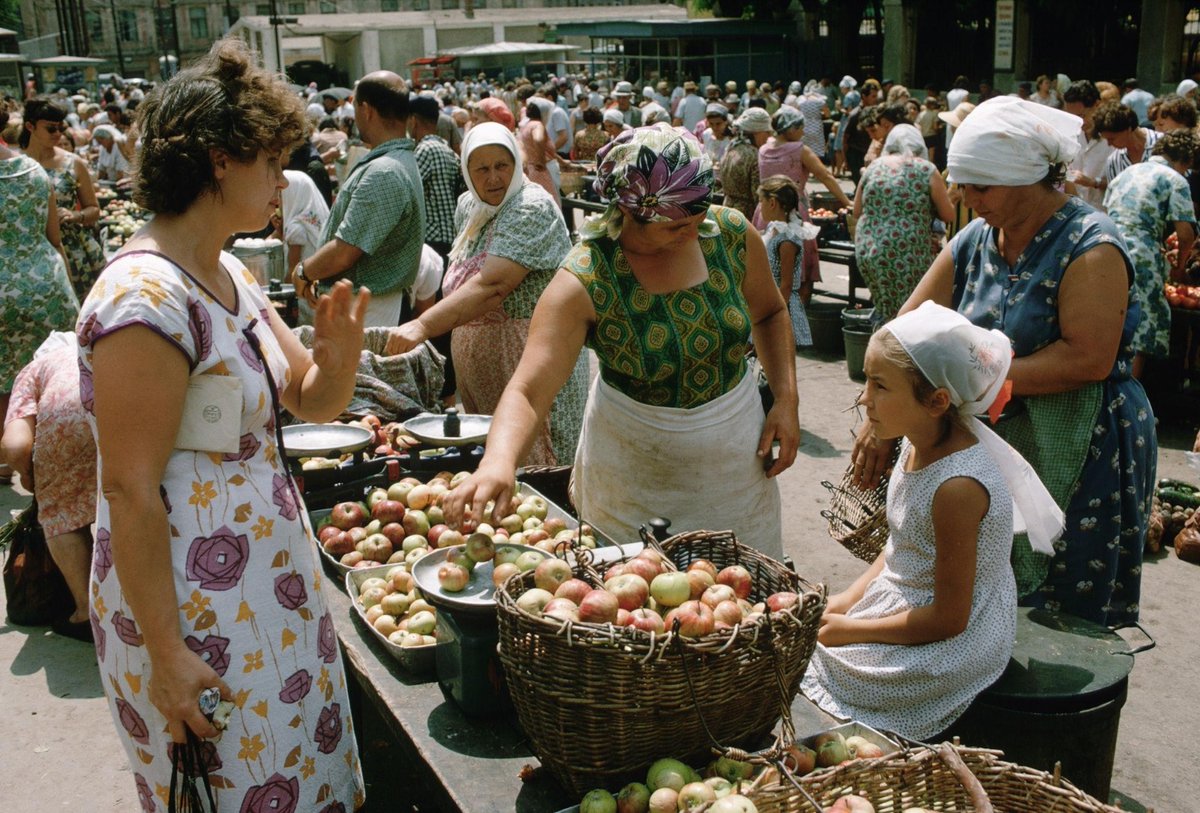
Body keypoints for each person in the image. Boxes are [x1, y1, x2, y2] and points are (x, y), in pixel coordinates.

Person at [75, 39, 367, 811]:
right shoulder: (144, 298)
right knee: (234, 788)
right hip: (191, 613)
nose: (281, 181)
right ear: (216, 161)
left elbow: (310, 398)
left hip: (263, 591)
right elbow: (130, 491)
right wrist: (167, 657)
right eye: (270, 161)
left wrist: (337, 357)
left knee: (299, 780)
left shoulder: (229, 269)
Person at [441, 124, 800, 559]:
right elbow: (529, 390)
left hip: (733, 464)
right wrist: (499, 460)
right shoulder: (585, 278)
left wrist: (785, 398)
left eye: (697, 217)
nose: (692, 234)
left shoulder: (729, 235)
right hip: (632, 469)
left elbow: (770, 312)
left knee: (743, 586)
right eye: (673, 227)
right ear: (629, 211)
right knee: (633, 594)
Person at [865, 96, 1155, 626]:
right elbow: (904, 329)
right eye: (963, 185)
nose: (968, 200)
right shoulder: (975, 239)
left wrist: (966, 382)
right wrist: (881, 417)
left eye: (982, 187)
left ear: (1028, 179)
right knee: (979, 593)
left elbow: (1088, 359)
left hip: (1083, 441)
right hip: (994, 437)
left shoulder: (1091, 246)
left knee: (1063, 609)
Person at [804, 302, 1061, 741]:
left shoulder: (958, 487)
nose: (864, 398)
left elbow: (949, 618)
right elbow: (898, 550)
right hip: (909, 600)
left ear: (937, 401)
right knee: (804, 640)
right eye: (867, 379)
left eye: (880, 385)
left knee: (817, 666)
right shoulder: (913, 441)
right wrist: (844, 602)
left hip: (957, 637)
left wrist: (851, 629)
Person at [384, 122, 587, 466]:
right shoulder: (469, 206)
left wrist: (422, 326)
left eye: (502, 166)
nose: (493, 178)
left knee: (536, 464)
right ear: (466, 171)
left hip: (527, 365)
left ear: (517, 165)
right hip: (481, 373)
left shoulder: (531, 205)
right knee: (493, 462)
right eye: (481, 169)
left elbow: (493, 286)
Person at [292, 72, 424, 328]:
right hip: (368, 304)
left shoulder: (384, 172)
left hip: (366, 309)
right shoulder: (396, 161)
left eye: (355, 108)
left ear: (366, 109)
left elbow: (345, 251)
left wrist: (304, 272)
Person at [2, 332, 96, 641]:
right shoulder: (97, 350)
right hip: (114, 410)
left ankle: (86, 612)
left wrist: (32, 479)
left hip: (67, 425)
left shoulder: (35, 369)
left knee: (63, 513)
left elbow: (15, 446)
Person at [0, 112, 76, 484]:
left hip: (2, 290)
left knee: (3, 382)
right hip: (46, 282)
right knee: (47, 376)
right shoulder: (33, 171)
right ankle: (53, 456)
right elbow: (54, 237)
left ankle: (7, 461)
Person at [1103, 130, 1198, 378]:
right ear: (1186, 161)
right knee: (1139, 330)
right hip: (1140, 254)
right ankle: (1128, 406)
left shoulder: (1126, 174)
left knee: (1109, 323)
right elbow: (1186, 234)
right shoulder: (1175, 180)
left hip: (1106, 247)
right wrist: (1179, 267)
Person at [853, 124, 954, 325]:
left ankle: (879, 348)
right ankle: (895, 352)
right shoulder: (926, 169)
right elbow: (948, 214)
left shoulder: (874, 166)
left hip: (869, 249)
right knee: (908, 314)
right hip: (907, 252)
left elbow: (856, 210)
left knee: (885, 307)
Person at [753, 106, 852, 292]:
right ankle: (796, 309)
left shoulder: (764, 149)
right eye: (800, 128)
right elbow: (826, 176)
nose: (803, 132)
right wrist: (847, 203)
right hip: (791, 210)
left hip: (765, 209)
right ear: (790, 128)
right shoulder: (799, 150)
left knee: (770, 258)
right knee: (799, 259)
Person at [21, 97, 105, 300]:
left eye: (61, 127)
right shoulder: (17, 165)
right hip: (32, 248)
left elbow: (94, 210)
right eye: (51, 129)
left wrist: (75, 215)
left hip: (73, 251)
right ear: (30, 126)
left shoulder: (73, 163)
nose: (58, 134)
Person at [758, 175, 818, 344]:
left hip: (780, 305)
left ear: (772, 203)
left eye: (761, 201)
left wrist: (773, 314)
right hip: (769, 298)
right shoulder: (773, 229)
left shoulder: (787, 240)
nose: (760, 206)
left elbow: (786, 284)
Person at [410, 95, 465, 258]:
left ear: (413, 121)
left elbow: (407, 190)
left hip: (434, 237)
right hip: (450, 234)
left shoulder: (425, 150)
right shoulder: (446, 149)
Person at [1061, 80, 1113, 210]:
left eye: (1082, 115)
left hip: (1105, 213)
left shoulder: (1114, 138)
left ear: (1097, 105)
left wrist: (1093, 183)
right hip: (1076, 212)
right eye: (1072, 117)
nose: (1078, 122)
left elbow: (1123, 184)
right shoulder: (1070, 135)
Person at [719, 107, 771, 220]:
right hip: (745, 217)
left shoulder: (731, 148)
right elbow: (758, 196)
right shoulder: (754, 155)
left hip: (726, 210)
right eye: (767, 132)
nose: (768, 137)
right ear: (756, 132)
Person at [518, 100, 559, 203]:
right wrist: (541, 161)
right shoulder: (537, 124)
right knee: (552, 202)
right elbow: (538, 139)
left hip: (531, 170)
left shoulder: (526, 126)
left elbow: (547, 151)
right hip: (543, 170)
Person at [701, 102, 733, 168]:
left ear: (725, 122)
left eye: (718, 124)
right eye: (711, 124)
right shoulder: (706, 134)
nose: (715, 127)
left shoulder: (731, 139)